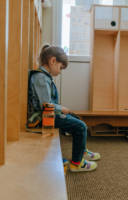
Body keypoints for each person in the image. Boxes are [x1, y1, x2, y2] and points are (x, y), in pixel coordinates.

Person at [28, 44, 100, 172]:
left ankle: (81, 151)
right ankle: (77, 163)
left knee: (75, 118)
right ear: (53, 61)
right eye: (61, 68)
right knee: (81, 126)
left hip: (47, 115)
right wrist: (61, 109)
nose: (60, 72)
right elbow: (46, 105)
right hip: (43, 118)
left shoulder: (44, 77)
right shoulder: (41, 77)